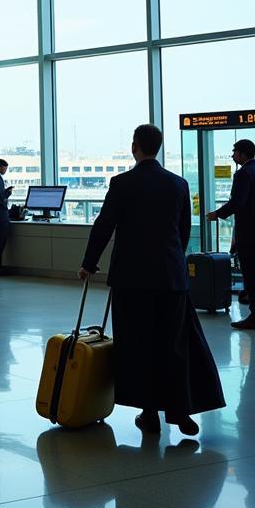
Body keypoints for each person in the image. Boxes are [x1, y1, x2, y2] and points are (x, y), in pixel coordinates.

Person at [79, 123, 224, 436]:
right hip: (170, 279)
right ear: (157, 147)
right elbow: (183, 230)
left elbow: (104, 226)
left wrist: (89, 264)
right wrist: (172, 261)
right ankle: (180, 410)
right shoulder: (178, 184)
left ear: (135, 146)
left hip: (131, 280)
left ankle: (149, 414)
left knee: (137, 346)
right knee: (173, 346)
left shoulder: (121, 183)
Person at [207, 138, 255, 330]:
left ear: (243, 154)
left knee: (252, 275)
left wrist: (217, 214)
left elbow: (237, 202)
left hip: (249, 233)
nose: (232, 155)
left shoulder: (243, 174)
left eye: (234, 152)